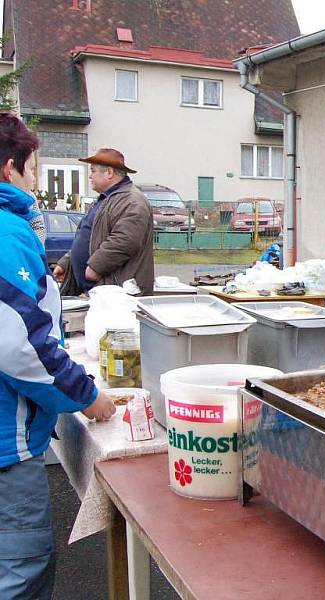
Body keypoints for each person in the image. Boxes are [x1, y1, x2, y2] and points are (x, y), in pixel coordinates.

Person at [0, 112, 116, 599]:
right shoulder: (8, 232)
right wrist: (85, 394)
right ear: (11, 169)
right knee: (21, 571)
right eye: (33, 166)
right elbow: (20, 345)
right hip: (7, 444)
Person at [53, 148, 154, 295]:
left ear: (109, 173)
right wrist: (67, 263)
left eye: (93, 171)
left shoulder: (131, 201)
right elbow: (88, 237)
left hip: (118, 295)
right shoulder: (107, 199)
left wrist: (95, 268)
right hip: (102, 291)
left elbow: (124, 240)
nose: (90, 176)